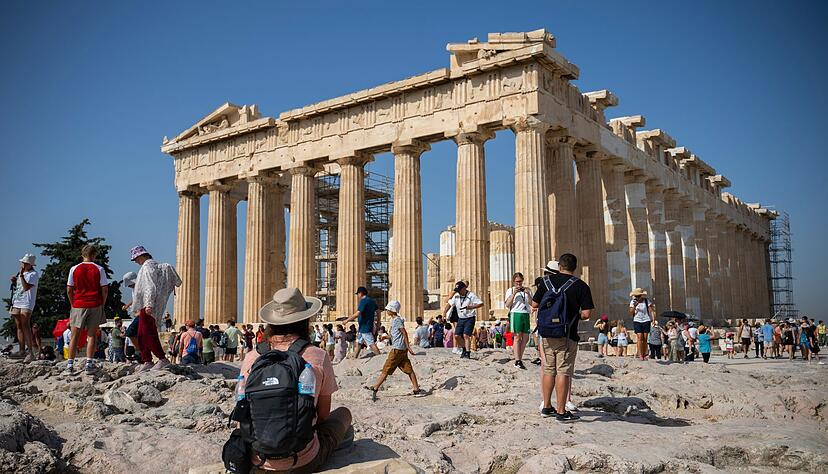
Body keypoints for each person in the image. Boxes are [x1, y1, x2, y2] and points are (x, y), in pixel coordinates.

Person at [239, 287, 352, 473]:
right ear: (305, 320)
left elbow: (241, 412)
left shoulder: (252, 357)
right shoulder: (317, 355)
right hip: (303, 461)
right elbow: (323, 415)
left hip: (257, 459)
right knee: (344, 414)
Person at [531, 253, 593, 422]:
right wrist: (573, 316)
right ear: (575, 267)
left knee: (548, 369)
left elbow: (534, 304)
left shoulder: (546, 282)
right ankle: (561, 411)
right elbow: (586, 314)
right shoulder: (580, 285)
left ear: (560, 266)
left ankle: (546, 406)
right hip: (567, 333)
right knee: (563, 371)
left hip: (546, 332)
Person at [129, 245, 180, 371]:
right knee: (142, 333)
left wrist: (149, 304)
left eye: (136, 258)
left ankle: (162, 359)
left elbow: (149, 286)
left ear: (142, 255)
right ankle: (147, 360)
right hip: (146, 304)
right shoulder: (151, 266)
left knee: (148, 333)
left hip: (148, 305)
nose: (135, 261)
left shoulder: (148, 266)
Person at [365, 300, 427, 401]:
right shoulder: (395, 320)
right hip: (401, 349)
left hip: (397, 349)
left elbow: (404, 332)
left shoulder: (397, 320)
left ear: (392, 310)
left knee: (386, 368)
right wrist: (386, 337)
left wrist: (408, 347)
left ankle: (375, 388)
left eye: (388, 309)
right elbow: (396, 335)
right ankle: (416, 390)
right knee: (409, 369)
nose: (386, 311)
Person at [65, 244, 109, 375]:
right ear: (94, 255)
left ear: (82, 254)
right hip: (95, 303)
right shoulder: (99, 269)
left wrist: (72, 304)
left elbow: (69, 289)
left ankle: (70, 365)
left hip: (78, 303)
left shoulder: (74, 268)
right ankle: (89, 364)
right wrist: (102, 303)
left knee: (74, 335)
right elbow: (105, 289)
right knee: (91, 335)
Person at [9, 253, 40, 362]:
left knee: (25, 324)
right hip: (17, 300)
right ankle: (22, 350)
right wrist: (15, 280)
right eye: (23, 262)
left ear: (30, 264)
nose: (23, 264)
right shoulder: (20, 273)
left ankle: (30, 352)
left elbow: (26, 287)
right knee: (19, 325)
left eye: (25, 263)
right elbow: (20, 287)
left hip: (27, 302)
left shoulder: (33, 274)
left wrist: (21, 276)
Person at [443, 281, 483, 359]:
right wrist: (444, 313)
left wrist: (471, 307)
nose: (458, 292)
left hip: (470, 318)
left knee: (466, 335)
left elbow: (481, 303)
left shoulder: (471, 295)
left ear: (464, 288)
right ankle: (464, 348)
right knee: (457, 336)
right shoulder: (456, 296)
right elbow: (449, 304)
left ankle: (467, 353)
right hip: (461, 318)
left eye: (459, 290)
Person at [504, 272, 533, 369]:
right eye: (516, 281)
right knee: (517, 337)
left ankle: (519, 358)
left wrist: (528, 294)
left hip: (526, 313)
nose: (518, 283)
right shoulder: (510, 290)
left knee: (525, 338)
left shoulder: (527, 290)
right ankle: (517, 360)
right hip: (515, 313)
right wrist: (514, 294)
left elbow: (532, 303)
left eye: (520, 281)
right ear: (513, 281)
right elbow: (507, 304)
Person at [343, 287, 380, 359]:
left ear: (360, 293)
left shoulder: (363, 301)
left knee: (371, 344)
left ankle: (379, 357)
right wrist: (378, 323)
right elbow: (378, 312)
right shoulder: (371, 301)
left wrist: (347, 320)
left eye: (358, 294)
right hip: (365, 326)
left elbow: (357, 313)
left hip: (365, 326)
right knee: (359, 343)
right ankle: (355, 357)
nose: (357, 296)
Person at [628, 288, 655, 361]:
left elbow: (652, 310)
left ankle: (644, 354)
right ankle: (640, 355)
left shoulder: (646, 301)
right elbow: (631, 312)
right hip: (637, 320)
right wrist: (635, 306)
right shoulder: (633, 302)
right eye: (636, 296)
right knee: (640, 337)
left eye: (638, 296)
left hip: (646, 320)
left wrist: (653, 319)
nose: (637, 297)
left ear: (641, 296)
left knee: (645, 338)